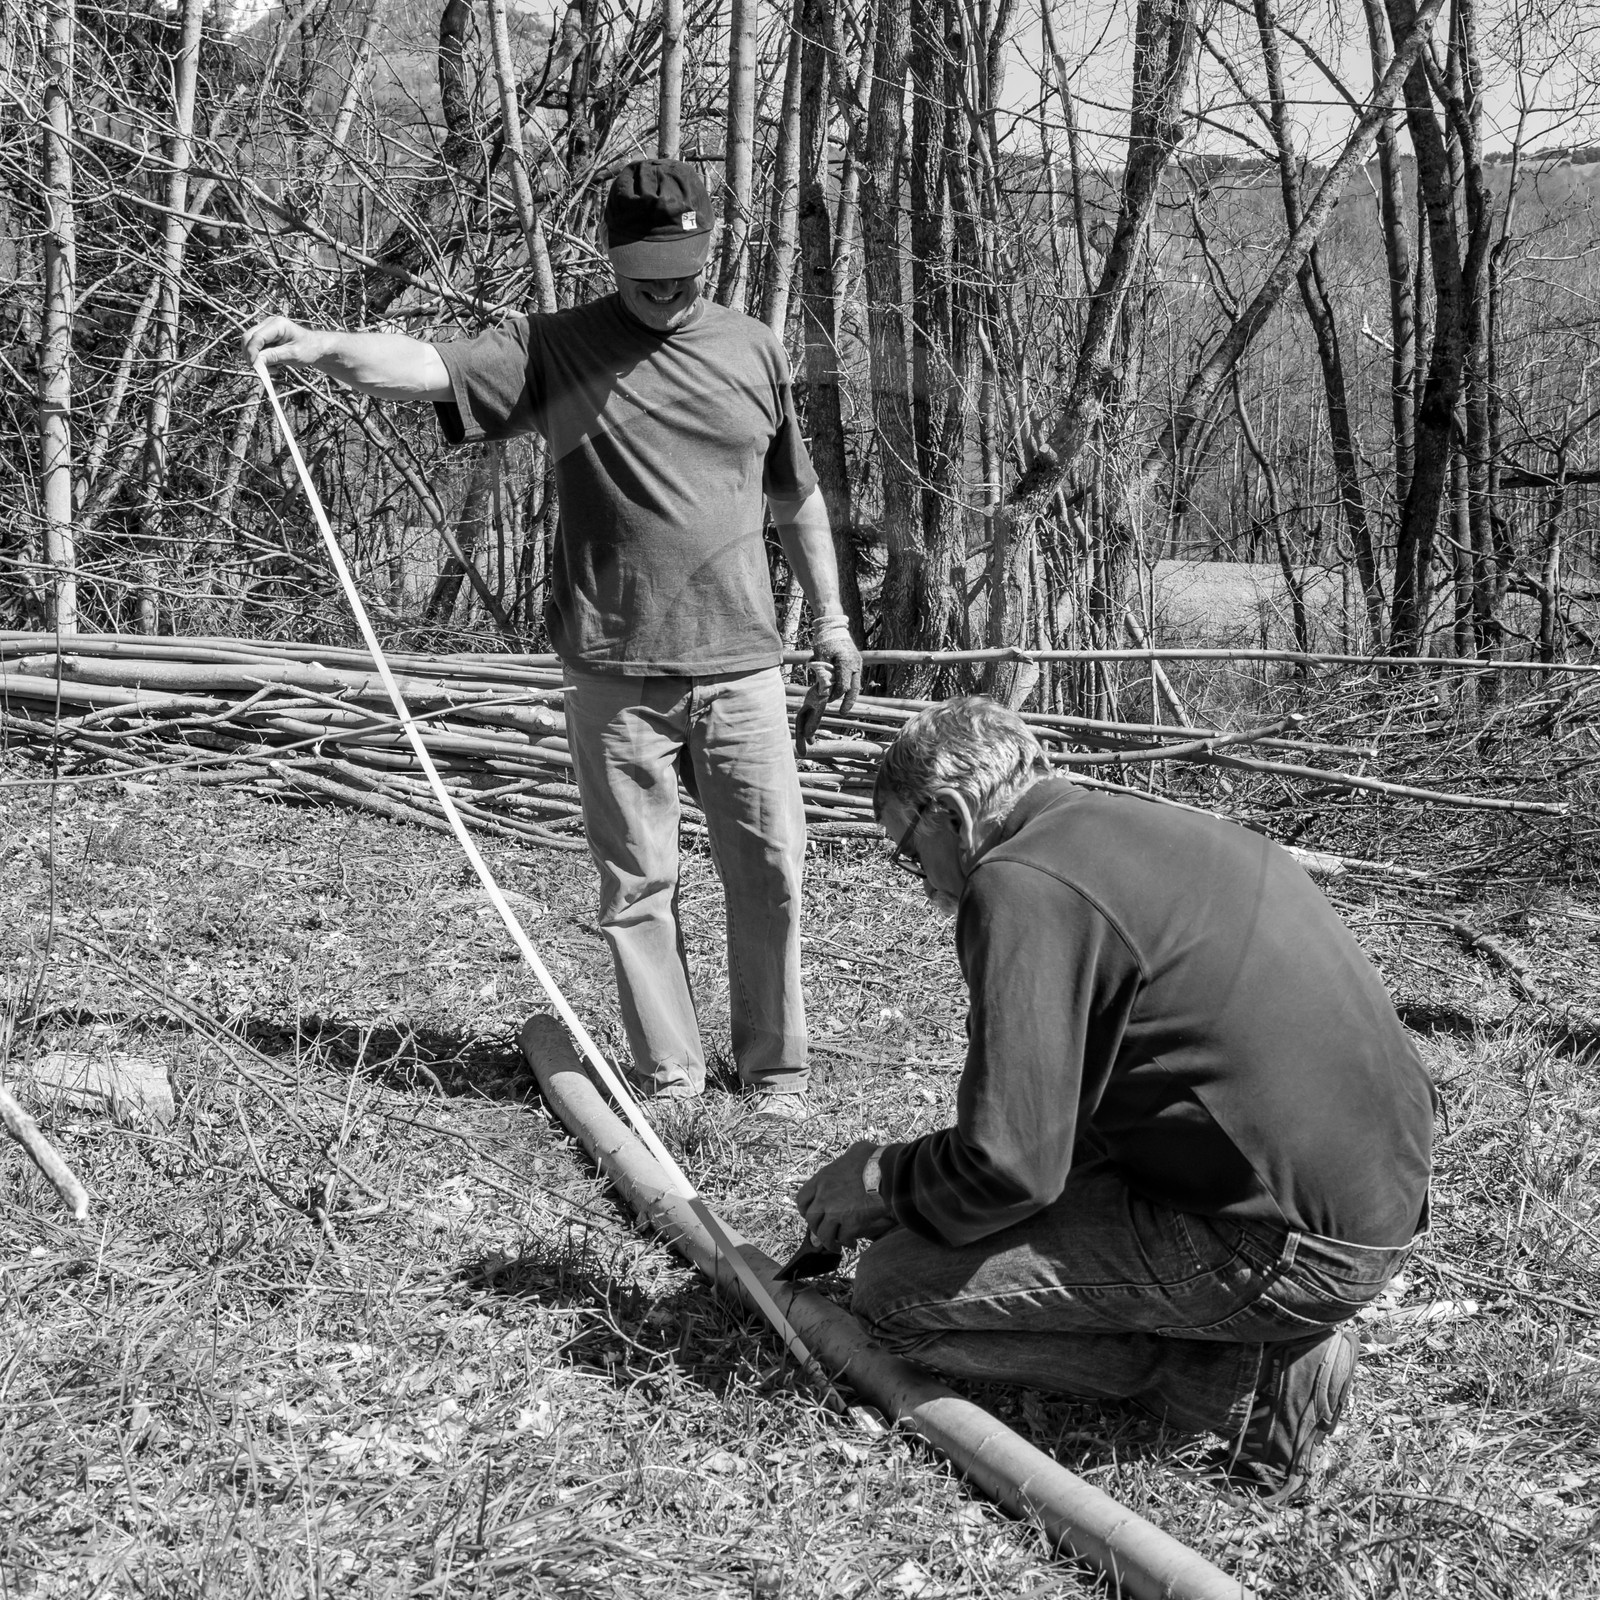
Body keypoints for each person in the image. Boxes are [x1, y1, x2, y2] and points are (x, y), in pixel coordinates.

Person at [244, 159, 860, 1117]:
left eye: (687, 265)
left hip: (744, 664)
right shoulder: (555, 349)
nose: (669, 285)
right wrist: (321, 344)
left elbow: (796, 495)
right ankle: (672, 1077)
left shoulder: (754, 348)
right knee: (637, 886)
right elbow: (424, 365)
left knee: (773, 870)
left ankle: (776, 1072)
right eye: (649, 267)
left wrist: (831, 617)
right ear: (612, 257)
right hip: (615, 669)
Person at [795, 697, 1435, 1497]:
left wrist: (887, 1182)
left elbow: (1011, 1167)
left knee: (893, 1292)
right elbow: (1068, 1115)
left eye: (905, 853)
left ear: (952, 815)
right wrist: (918, 1187)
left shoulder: (1018, 882)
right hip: (1371, 1197)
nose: (917, 878)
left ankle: (1244, 1387)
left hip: (1283, 1245)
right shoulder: (1156, 830)